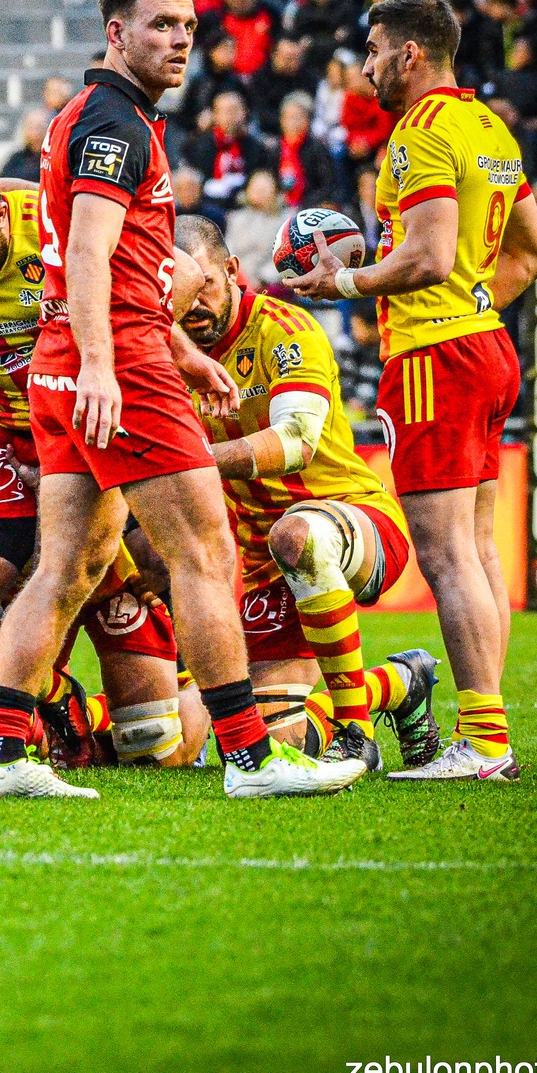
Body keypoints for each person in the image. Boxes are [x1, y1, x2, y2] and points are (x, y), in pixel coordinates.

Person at [0, 0, 355, 800]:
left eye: (187, 26)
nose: (180, 40)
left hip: (70, 362)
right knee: (205, 552)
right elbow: (88, 255)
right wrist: (110, 365)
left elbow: (120, 263)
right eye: (160, 25)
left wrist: (181, 350)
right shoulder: (117, 123)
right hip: (114, 365)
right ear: (116, 33)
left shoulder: (87, 114)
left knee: (68, 568)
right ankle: (252, 757)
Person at [288, 0, 537, 783]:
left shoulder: (421, 132)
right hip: (484, 346)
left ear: (411, 53)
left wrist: (343, 284)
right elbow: (531, 255)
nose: (365, 66)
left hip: (436, 359)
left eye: (373, 50)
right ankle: (487, 733)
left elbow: (429, 256)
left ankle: (485, 744)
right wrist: (475, 306)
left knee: (444, 552)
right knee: (475, 547)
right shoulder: (489, 127)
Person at [173, 215, 442, 767]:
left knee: (296, 534)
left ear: (232, 270)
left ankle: (356, 734)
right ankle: (403, 681)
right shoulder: (162, 352)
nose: (194, 304)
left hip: (352, 517)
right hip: (258, 558)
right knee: (269, 741)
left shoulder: (284, 329)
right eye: (181, 292)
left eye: (206, 285)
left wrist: (191, 462)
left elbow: (296, 440)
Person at [0, 108, 47, 182]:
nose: (35, 133)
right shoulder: (16, 159)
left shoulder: (51, 160)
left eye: (40, 127)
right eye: (31, 127)